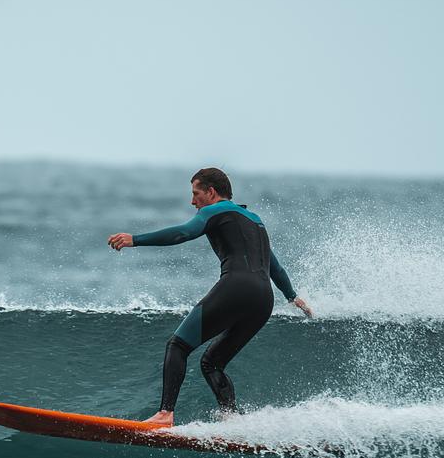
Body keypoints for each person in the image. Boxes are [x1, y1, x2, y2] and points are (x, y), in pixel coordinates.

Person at [108, 167, 313, 425]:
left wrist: (134, 239)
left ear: (211, 192)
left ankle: (165, 415)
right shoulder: (255, 220)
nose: (193, 201)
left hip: (236, 287)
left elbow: (183, 233)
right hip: (263, 299)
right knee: (212, 363)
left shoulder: (213, 210)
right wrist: (293, 297)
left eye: (196, 194)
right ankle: (231, 420)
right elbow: (275, 267)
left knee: (178, 345)